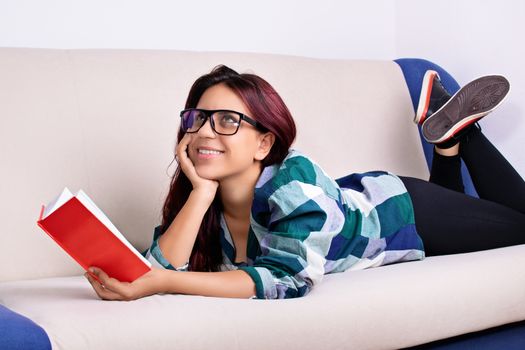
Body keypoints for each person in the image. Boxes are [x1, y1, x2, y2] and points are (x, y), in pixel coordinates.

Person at [84, 65, 525, 301]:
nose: (203, 132)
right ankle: (445, 143)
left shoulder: (295, 179)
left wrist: (163, 284)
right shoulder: (205, 201)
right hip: (365, 201)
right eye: (196, 119)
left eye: (226, 121)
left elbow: (287, 280)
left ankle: (465, 135)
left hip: (403, 214)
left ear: (264, 144)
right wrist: (200, 193)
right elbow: (159, 266)